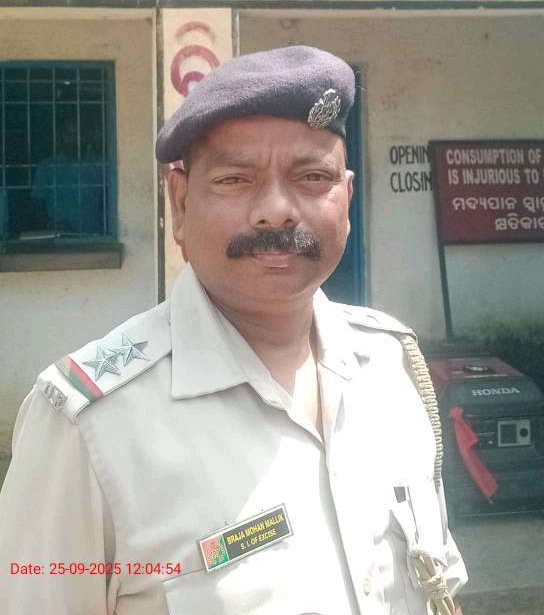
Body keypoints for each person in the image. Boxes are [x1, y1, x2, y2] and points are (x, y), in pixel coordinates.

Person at [0, 45, 467, 614]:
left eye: (312, 177)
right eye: (235, 179)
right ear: (179, 202)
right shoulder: (89, 424)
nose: (276, 210)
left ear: (346, 197)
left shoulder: (390, 366)